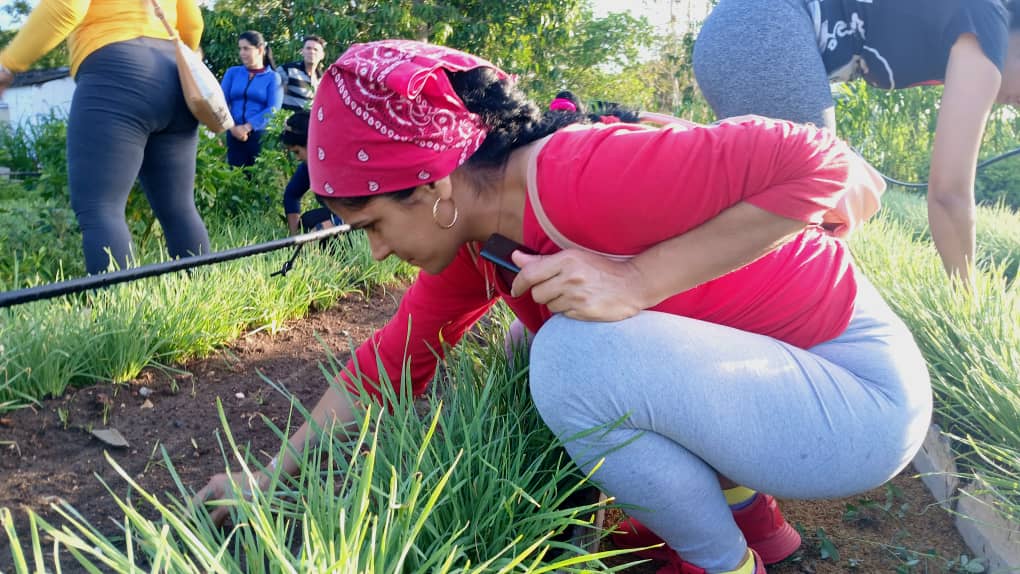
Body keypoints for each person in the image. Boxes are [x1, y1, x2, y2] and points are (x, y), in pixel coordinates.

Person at [196, 40, 933, 574]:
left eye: (374, 226)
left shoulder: (580, 174)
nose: (377, 253)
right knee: (544, 345)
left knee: (569, 358)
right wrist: (270, 479)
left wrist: (637, 281)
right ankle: (754, 524)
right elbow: (389, 363)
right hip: (779, 386)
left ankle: (720, 566)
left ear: (434, 191)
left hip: (857, 399)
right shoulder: (484, 238)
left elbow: (821, 161)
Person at [693, 0, 1020, 284]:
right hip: (762, 29)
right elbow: (950, 193)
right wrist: (967, 298)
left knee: (800, 204)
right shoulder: (988, 20)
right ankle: (657, 282)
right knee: (816, 197)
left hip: (744, 32)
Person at [0, 0, 211, 275]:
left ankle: (117, 312)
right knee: (179, 207)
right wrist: (186, 54)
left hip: (117, 71)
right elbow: (192, 21)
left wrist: (8, 63)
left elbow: (66, 7)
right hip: (175, 73)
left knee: (101, 207)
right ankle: (203, 304)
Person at [221, 30, 282, 168]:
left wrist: (247, 127)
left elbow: (273, 109)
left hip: (259, 135)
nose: (242, 53)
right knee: (234, 176)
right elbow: (221, 102)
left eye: (246, 48)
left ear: (260, 49)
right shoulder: (232, 73)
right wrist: (232, 128)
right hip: (233, 132)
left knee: (257, 179)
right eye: (240, 48)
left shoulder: (273, 78)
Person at [279, 110, 341, 235]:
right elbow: (291, 195)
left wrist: (330, 225)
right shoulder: (310, 166)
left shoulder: (343, 160)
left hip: (365, 223)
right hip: (339, 217)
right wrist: (294, 237)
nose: (297, 158)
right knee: (307, 222)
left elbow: (368, 207)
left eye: (297, 152)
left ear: (311, 142)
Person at [276, 35, 326, 112]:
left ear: (322, 55)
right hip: (288, 121)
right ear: (302, 51)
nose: (312, 52)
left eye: (316, 49)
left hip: (310, 122)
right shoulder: (287, 70)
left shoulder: (322, 79)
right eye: (308, 48)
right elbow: (272, 94)